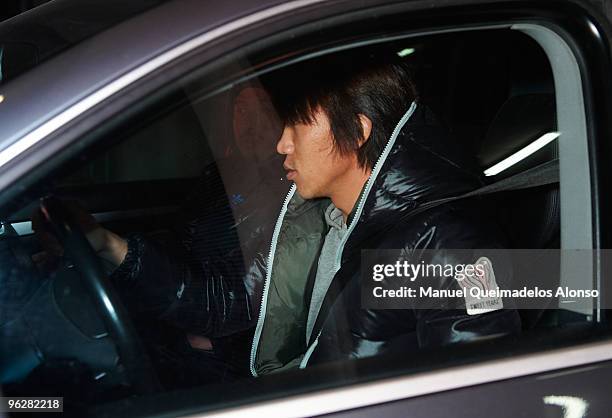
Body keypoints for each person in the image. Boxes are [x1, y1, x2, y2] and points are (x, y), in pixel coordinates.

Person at [34, 51, 521, 380]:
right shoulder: (320, 222)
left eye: (298, 124)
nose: (281, 143)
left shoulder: (447, 245)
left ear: (357, 132)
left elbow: (478, 387)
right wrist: (106, 244)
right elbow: (227, 308)